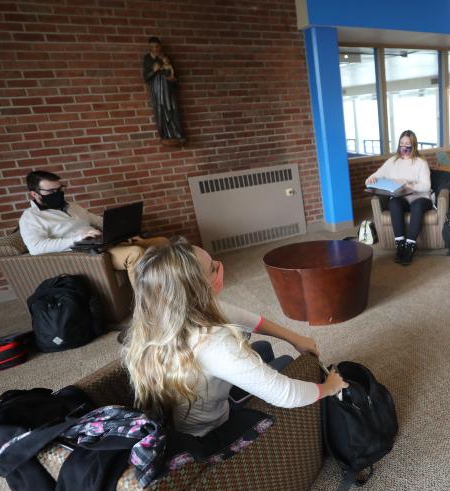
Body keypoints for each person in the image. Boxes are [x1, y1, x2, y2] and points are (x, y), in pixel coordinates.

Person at [123, 239, 348, 436]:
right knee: (289, 364)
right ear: (197, 288)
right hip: (212, 430)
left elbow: (251, 320)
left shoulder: (167, 312)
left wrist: (295, 337)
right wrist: (330, 386)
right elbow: (285, 395)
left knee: (263, 346)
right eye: (212, 268)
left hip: (186, 411)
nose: (220, 267)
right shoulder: (212, 344)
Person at [18, 170, 170, 286]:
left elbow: (98, 221)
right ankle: (149, 307)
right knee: (135, 253)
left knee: (162, 242)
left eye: (60, 189)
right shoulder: (31, 218)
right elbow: (36, 247)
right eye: (51, 192)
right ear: (34, 194)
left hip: (102, 244)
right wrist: (78, 238)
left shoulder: (72, 206)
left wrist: (123, 231)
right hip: (84, 256)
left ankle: (172, 288)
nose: (57, 194)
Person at [365, 130, 432, 265]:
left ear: (413, 144)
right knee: (394, 203)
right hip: (401, 198)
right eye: (402, 143)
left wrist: (408, 184)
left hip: (420, 198)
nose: (404, 146)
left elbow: (426, 186)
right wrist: (371, 179)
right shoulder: (392, 161)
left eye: (407, 143)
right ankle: (400, 244)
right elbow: (374, 177)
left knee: (416, 205)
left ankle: (410, 246)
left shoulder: (421, 162)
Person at [142, 36, 186, 144]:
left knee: (172, 107)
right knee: (161, 110)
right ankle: (165, 134)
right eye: (152, 47)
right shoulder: (147, 59)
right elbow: (146, 78)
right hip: (157, 89)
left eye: (156, 46)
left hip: (168, 88)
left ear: (160, 47)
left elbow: (174, 75)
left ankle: (177, 133)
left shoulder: (164, 57)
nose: (154, 49)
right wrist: (153, 70)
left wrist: (171, 76)